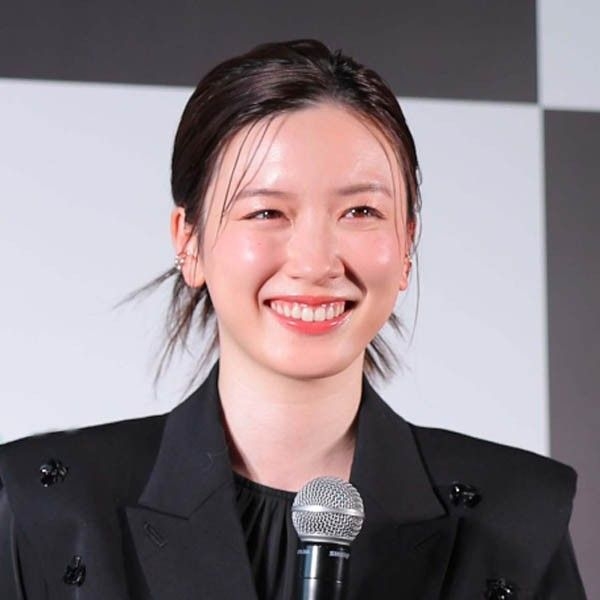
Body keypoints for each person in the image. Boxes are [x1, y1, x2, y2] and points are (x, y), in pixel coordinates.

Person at [0, 40, 587, 599]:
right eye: (267, 212)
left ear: (407, 244)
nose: (314, 262)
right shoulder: (50, 506)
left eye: (360, 211)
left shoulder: (515, 520)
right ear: (189, 241)